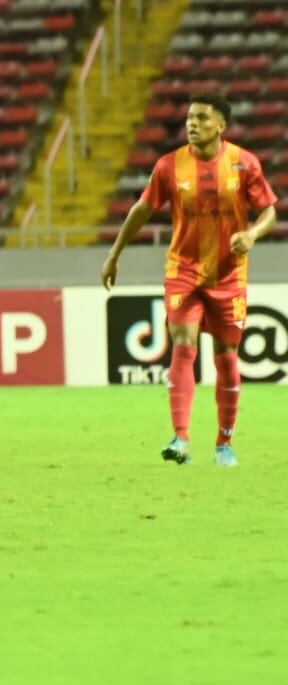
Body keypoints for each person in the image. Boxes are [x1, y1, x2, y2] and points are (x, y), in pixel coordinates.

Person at [102, 93, 277, 467]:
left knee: (227, 357)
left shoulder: (244, 164)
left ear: (222, 125)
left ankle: (224, 444)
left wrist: (252, 236)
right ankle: (180, 439)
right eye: (189, 119)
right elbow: (142, 209)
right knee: (183, 346)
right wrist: (115, 253)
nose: (192, 124)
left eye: (201, 118)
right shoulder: (169, 166)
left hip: (229, 275)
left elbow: (269, 212)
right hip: (182, 270)